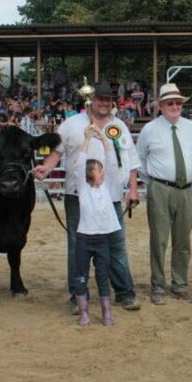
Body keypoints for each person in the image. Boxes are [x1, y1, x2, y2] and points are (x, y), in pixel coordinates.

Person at [32, 82, 141, 313]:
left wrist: (132, 190)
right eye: (100, 99)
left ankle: (125, 292)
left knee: (116, 244)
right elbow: (57, 152)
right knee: (76, 246)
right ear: (91, 100)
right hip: (77, 196)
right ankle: (78, 295)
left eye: (108, 100)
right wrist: (47, 168)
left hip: (111, 196)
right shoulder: (71, 124)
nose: (104, 103)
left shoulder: (119, 126)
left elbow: (130, 161)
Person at [136, 83, 192, 305]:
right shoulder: (149, 130)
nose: (175, 106)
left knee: (183, 241)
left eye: (178, 102)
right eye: (170, 103)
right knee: (159, 239)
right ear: (161, 106)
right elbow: (139, 159)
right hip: (160, 188)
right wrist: (154, 182)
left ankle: (180, 284)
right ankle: (158, 286)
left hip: (188, 189)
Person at [72, 124, 122, 326]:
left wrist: (103, 139)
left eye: (101, 170)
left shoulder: (106, 187)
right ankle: (83, 312)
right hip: (84, 238)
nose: (102, 173)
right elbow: (79, 164)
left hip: (102, 239)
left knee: (103, 275)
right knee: (81, 276)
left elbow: (112, 163)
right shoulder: (83, 188)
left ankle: (106, 313)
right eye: (98, 170)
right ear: (89, 173)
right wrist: (86, 139)